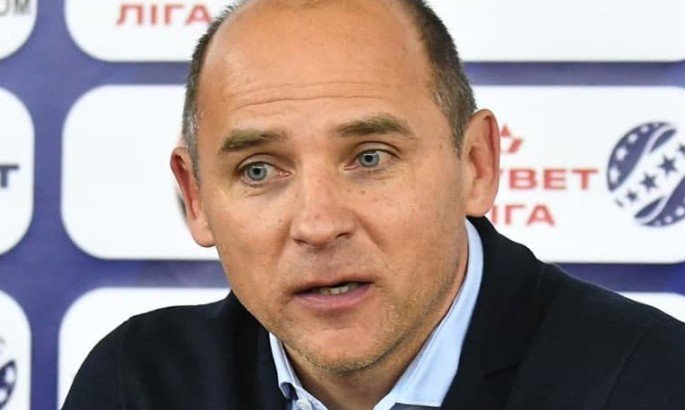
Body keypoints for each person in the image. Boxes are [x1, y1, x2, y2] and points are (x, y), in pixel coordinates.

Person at [63, 0, 685, 409]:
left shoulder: (653, 383)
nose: (318, 225)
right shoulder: (136, 384)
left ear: (475, 165)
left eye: (369, 158)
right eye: (259, 170)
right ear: (196, 198)